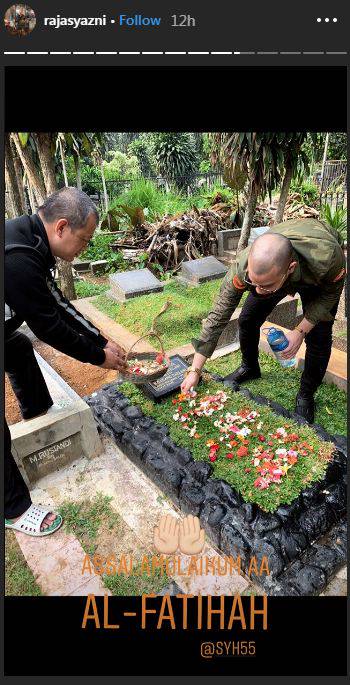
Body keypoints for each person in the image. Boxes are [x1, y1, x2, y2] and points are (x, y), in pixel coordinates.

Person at [5, 187, 128, 536]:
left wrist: (102, 339)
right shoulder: (15, 257)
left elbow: (58, 304)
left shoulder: (32, 244)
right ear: (61, 228)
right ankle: (13, 509)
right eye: (85, 240)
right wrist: (98, 357)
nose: (85, 248)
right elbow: (49, 327)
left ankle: (37, 415)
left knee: (16, 348)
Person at [181, 217, 346, 423]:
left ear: (290, 269)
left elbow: (330, 296)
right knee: (248, 319)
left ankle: (306, 394)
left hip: (317, 277)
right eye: (253, 282)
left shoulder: (327, 259)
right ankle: (250, 367)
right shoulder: (244, 267)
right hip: (276, 269)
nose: (258, 291)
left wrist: (300, 331)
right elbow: (218, 316)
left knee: (319, 336)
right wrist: (195, 370)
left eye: (265, 286)